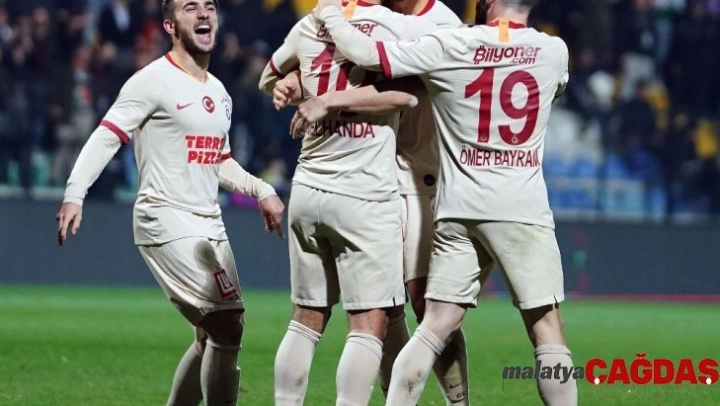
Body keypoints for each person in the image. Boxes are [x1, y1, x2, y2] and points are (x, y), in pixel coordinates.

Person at [311, 0, 577, 404]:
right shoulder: (554, 51)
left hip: (458, 208)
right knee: (547, 329)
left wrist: (330, 12)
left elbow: (368, 55)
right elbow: (550, 91)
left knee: (433, 327)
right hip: (521, 209)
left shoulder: (451, 44)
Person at [55, 1, 285, 405]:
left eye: (209, 6)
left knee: (213, 334)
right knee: (228, 323)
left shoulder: (219, 92)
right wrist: (76, 193)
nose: (203, 14)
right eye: (190, 7)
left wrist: (260, 189)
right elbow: (108, 135)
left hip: (209, 222)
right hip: (164, 217)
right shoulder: (151, 81)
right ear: (170, 25)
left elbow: (219, 160)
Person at [278, 0, 471, 403]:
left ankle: (458, 400)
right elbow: (283, 72)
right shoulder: (380, 18)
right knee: (384, 312)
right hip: (370, 178)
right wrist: (297, 78)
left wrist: (328, 98)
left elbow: (405, 86)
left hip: (418, 178)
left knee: (425, 305)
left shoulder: (440, 23)